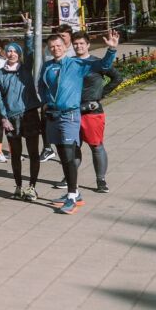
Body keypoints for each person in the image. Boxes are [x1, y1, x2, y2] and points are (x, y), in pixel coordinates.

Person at [36, 25, 118, 214]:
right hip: (52, 115)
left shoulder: (76, 65)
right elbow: (42, 85)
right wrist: (46, 102)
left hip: (70, 115)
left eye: (58, 45)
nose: (55, 49)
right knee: (64, 156)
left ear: (65, 46)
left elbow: (103, 66)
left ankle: (72, 196)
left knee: (69, 154)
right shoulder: (48, 66)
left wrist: (112, 49)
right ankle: (75, 193)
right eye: (52, 47)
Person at [71, 29, 121, 194]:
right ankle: (70, 177)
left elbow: (117, 77)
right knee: (72, 147)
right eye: (76, 44)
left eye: (82, 44)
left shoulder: (96, 63)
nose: (79, 46)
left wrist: (101, 94)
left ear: (88, 45)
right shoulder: (69, 63)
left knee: (96, 146)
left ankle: (101, 180)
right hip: (71, 110)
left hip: (92, 112)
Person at [0, 42, 43, 200]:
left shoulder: (25, 69)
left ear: (19, 54)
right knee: (15, 155)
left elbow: (30, 53)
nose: (12, 53)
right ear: (5, 53)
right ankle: (19, 186)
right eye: (9, 51)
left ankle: (32, 187)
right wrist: (3, 117)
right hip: (11, 119)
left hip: (29, 115)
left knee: (33, 153)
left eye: (15, 51)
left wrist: (28, 33)